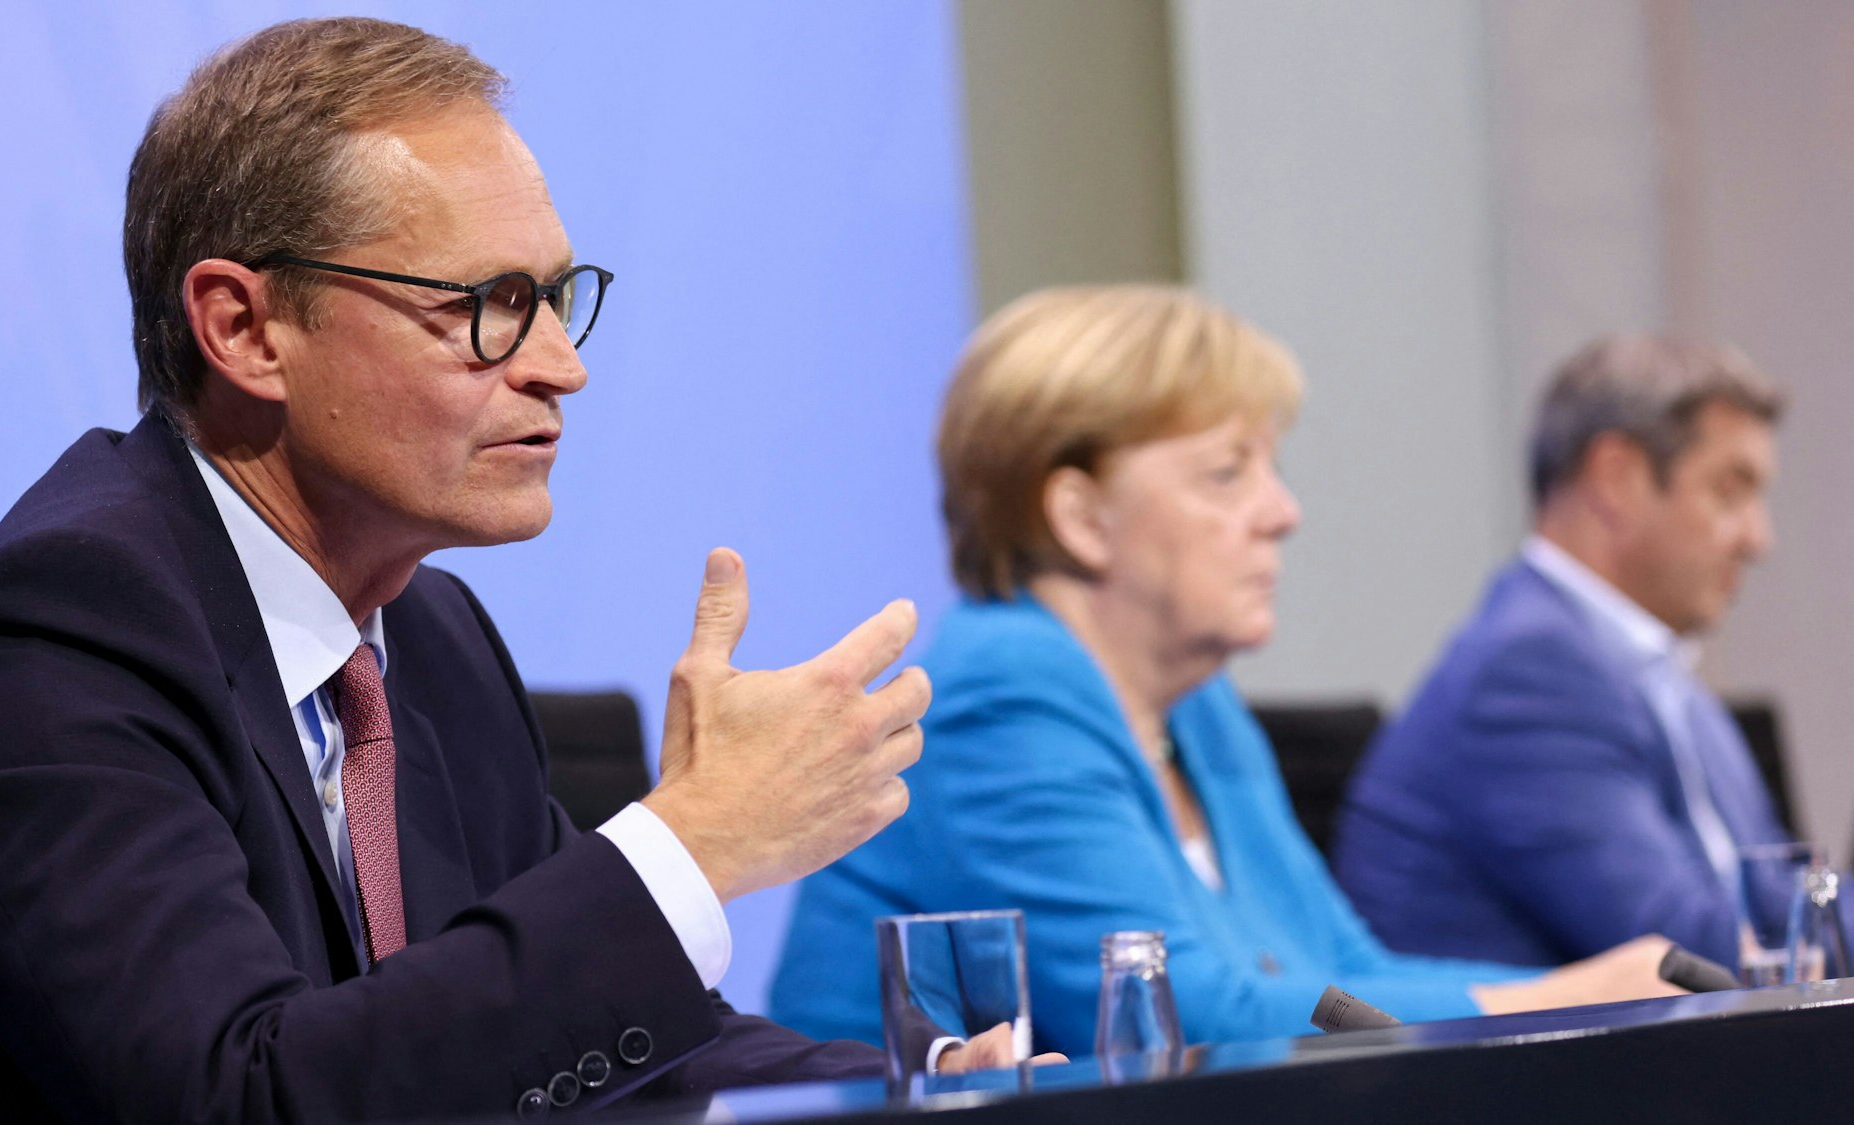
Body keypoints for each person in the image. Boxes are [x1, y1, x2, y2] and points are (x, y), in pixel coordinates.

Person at [0, 17, 1023, 1122]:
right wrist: (692, 843)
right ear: (245, 330)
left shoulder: (429, 632)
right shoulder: (50, 641)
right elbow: (242, 1098)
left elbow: (554, 1042)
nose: (560, 366)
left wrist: (922, 1089)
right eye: (492, 305)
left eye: (555, 300)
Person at [767, 287, 1675, 1054]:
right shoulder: (1002, 696)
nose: (1283, 512)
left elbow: (1341, 970)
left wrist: (1583, 992)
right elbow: (1187, 1020)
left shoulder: (1195, 706)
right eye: (1227, 473)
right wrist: (1565, 999)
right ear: (1081, 516)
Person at [1334, 335, 1814, 971]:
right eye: (1729, 492)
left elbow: (1782, 904)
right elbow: (1690, 957)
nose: (1758, 539)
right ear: (1617, 479)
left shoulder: (1665, 681)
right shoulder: (1527, 675)